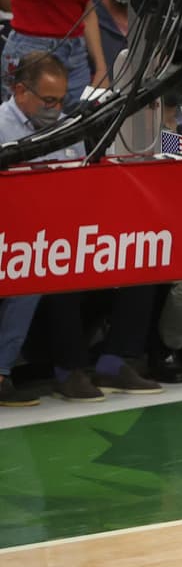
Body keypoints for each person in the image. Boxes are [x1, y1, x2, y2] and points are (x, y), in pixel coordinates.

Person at [0, 51, 84, 407]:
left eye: (62, 100)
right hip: (10, 232)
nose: (56, 108)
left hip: (51, 233)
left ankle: (94, 365)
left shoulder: (66, 126)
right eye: (49, 100)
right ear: (21, 91)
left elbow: (79, 178)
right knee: (31, 273)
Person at [0, 0, 107, 112]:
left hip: (76, 54)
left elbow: (87, 9)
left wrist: (101, 69)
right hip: (30, 50)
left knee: (81, 123)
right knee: (24, 127)